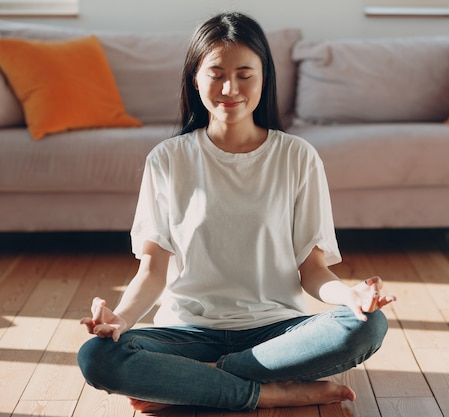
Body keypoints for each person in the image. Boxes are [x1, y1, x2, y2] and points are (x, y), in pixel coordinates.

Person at [77, 11, 396, 413]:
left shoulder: (297, 156)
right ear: (195, 78)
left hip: (276, 335)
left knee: (367, 327)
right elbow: (152, 271)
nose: (230, 87)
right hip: (186, 334)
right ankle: (268, 392)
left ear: (264, 78)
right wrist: (120, 321)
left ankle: (195, 382)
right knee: (96, 356)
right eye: (216, 73)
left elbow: (313, 271)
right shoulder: (168, 160)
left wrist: (350, 295)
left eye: (245, 74)